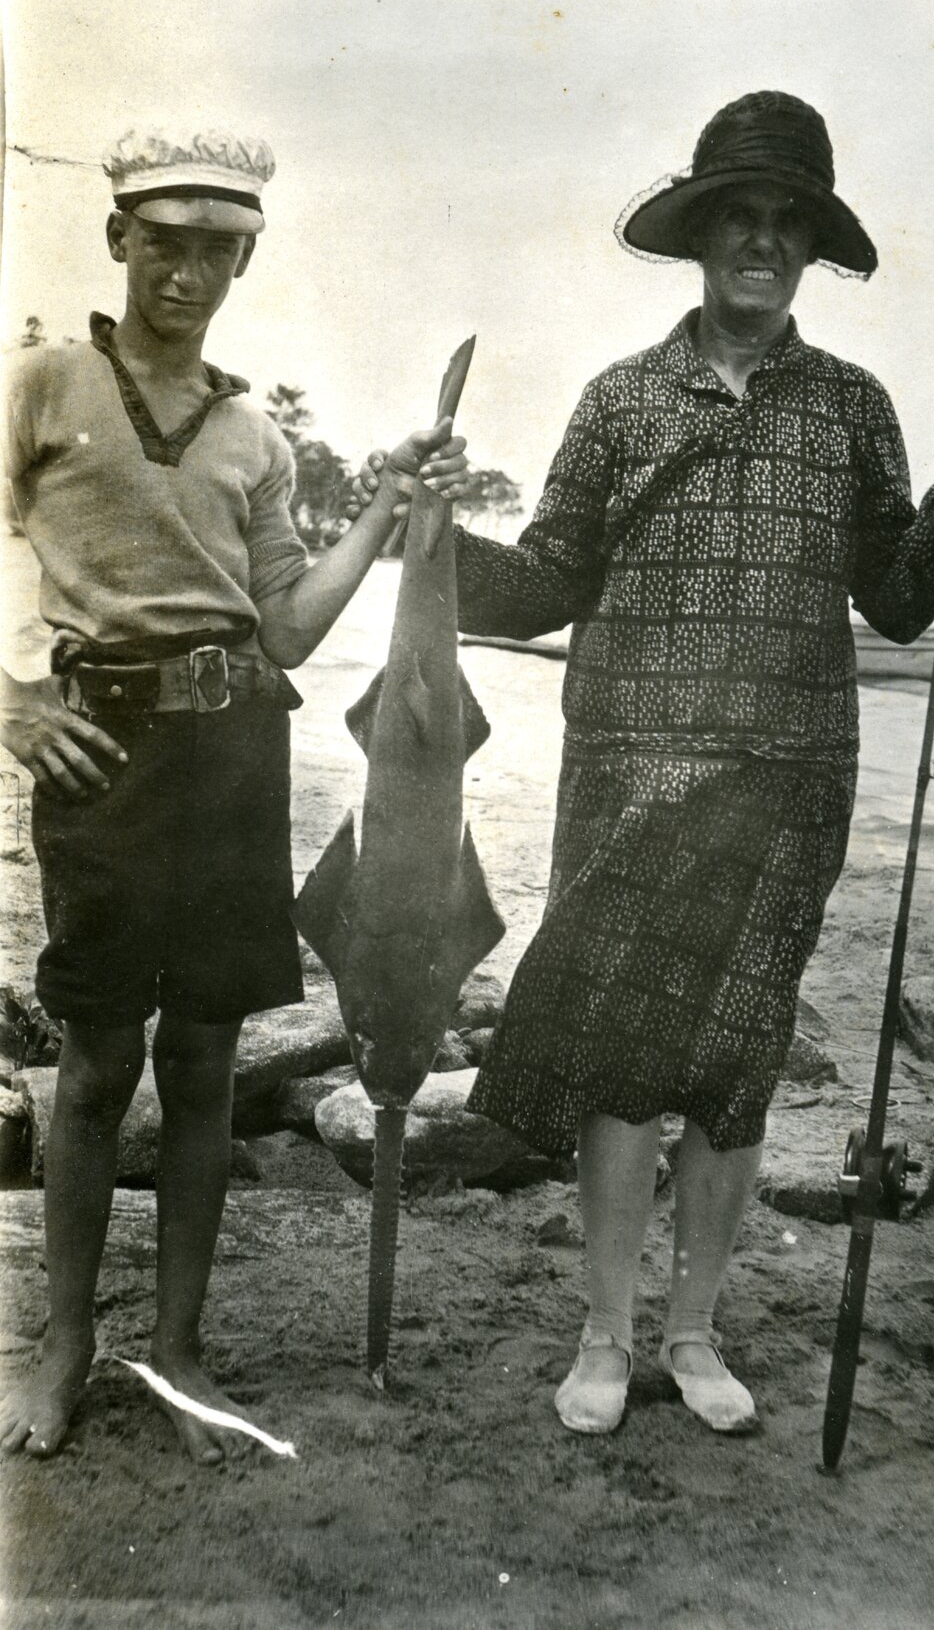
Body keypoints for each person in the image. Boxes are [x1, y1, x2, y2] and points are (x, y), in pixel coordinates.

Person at [357, 92, 934, 1435]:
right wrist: (431, 539)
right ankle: (604, 1336)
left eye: (786, 223)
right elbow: (546, 578)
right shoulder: (621, 400)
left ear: (810, 249)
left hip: (787, 779)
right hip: (631, 770)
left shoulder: (854, 407)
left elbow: (899, 602)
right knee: (624, 1058)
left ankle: (695, 1332)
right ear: (701, 238)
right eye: (738, 219)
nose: (761, 243)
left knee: (735, 1062)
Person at [0, 128, 466, 1463]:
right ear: (119, 239)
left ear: (244, 263)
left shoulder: (256, 434)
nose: (186, 273)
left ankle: (181, 1351)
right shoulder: (41, 383)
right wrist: (15, 700)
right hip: (99, 755)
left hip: (235, 758)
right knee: (96, 1065)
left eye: (217, 251)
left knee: (203, 1065)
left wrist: (384, 505)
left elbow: (289, 629)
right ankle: (63, 1344)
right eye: (164, 243)